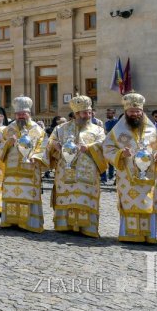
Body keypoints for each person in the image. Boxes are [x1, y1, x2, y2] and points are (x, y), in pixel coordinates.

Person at [103, 93, 157, 244]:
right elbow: (107, 148)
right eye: (131, 111)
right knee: (129, 202)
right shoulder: (117, 131)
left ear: (142, 111)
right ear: (126, 112)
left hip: (149, 176)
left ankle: (149, 235)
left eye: (138, 111)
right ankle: (129, 234)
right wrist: (120, 153)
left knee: (149, 202)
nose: (135, 114)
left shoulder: (153, 131)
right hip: (127, 177)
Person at [45, 96, 108, 237]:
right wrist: (55, 145)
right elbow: (51, 141)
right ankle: (65, 225)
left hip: (88, 171)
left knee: (84, 197)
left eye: (90, 112)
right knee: (67, 196)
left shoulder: (98, 129)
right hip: (65, 170)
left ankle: (86, 228)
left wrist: (89, 147)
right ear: (76, 114)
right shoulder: (61, 128)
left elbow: (103, 143)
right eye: (85, 113)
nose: (88, 115)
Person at [0, 96, 47, 233]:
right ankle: (11, 221)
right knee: (12, 195)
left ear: (29, 114)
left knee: (29, 195)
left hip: (30, 169)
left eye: (23, 113)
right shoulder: (7, 130)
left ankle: (29, 223)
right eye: (18, 114)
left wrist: (36, 157)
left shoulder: (38, 130)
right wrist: (8, 143)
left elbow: (43, 147)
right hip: (12, 170)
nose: (21, 116)